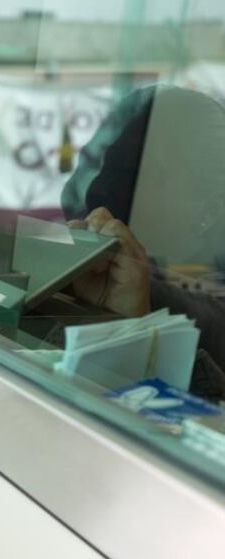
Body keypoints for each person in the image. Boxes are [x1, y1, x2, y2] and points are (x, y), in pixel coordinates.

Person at [62, 85, 225, 397]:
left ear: (210, 210)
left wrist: (138, 317)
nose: (118, 187)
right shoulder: (87, 263)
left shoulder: (204, 304)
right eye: (120, 166)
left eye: (153, 175)